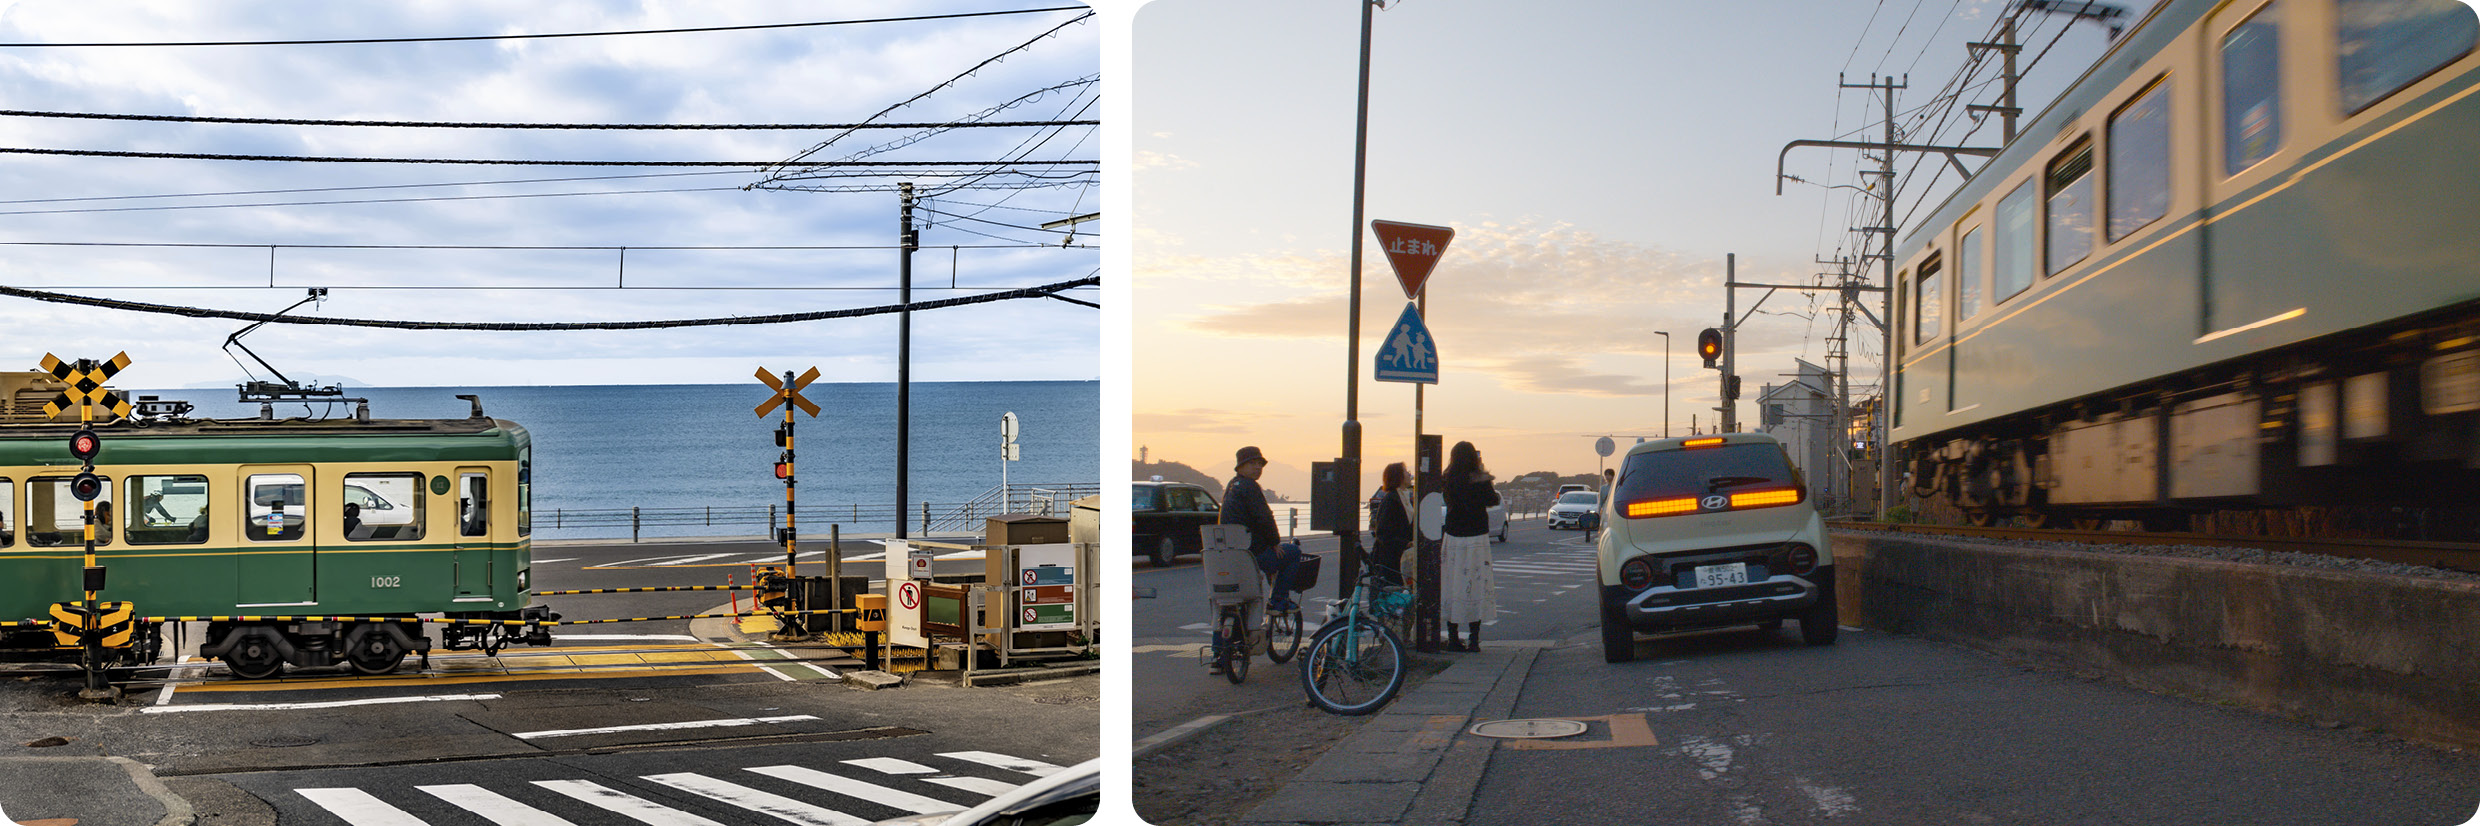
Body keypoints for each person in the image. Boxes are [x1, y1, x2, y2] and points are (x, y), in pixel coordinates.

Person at [1222, 445, 1301, 613]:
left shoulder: (1232, 485)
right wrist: (1275, 542)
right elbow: (1264, 517)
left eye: (1260, 464)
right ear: (1241, 466)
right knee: (1293, 552)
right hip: (1251, 553)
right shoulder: (1250, 486)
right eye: (1252, 463)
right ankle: (1279, 600)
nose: (1258, 467)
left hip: (1231, 552)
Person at [1440, 441, 1499, 651]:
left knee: (1452, 582)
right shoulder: (1480, 479)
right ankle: (1474, 639)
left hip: (1454, 534)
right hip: (1477, 536)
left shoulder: (1447, 479)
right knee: (1476, 583)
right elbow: (1493, 500)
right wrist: (1482, 471)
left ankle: (1453, 637)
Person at [1367, 462, 1414, 588]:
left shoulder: (1405, 498)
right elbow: (1382, 533)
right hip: (1391, 561)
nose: (1409, 475)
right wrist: (1405, 543)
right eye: (1406, 472)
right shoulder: (1391, 500)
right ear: (1398, 477)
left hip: (1401, 558)